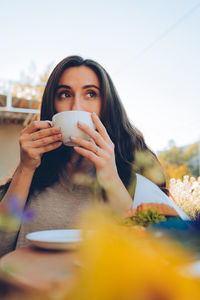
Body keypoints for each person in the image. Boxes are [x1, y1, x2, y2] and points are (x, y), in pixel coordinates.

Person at [0, 56, 189, 257]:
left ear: (107, 104)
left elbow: (153, 255)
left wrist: (111, 178)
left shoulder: (136, 164)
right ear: (52, 106)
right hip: (27, 285)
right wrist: (26, 168)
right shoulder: (34, 168)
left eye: (91, 94)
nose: (76, 107)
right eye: (64, 94)